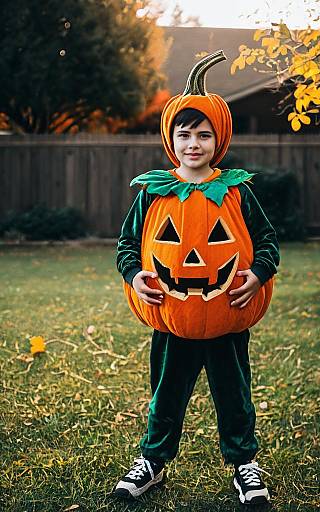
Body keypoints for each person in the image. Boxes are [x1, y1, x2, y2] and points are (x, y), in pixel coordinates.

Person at [114, 51, 280, 506]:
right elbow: (128, 246)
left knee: (234, 396)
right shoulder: (153, 193)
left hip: (229, 313)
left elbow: (267, 242)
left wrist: (257, 274)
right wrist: (134, 277)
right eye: (184, 134)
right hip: (171, 316)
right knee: (166, 396)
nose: (193, 143)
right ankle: (152, 462)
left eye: (203, 135)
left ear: (218, 138)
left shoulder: (237, 192)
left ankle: (244, 463)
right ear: (171, 139)